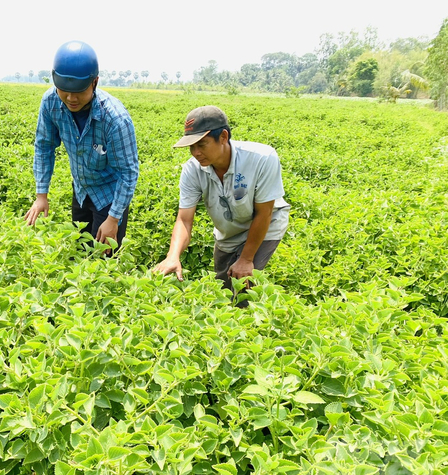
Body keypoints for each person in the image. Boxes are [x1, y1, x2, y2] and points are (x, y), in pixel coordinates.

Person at [153, 105, 290, 305]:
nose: (196, 153)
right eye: (192, 147)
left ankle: (249, 326)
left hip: (266, 224)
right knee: (223, 292)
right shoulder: (193, 170)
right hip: (228, 231)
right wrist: (172, 256)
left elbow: (264, 213)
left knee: (244, 285)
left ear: (223, 137)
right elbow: (184, 219)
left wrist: (246, 258)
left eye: (202, 144)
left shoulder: (262, 158)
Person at [24, 41, 139, 252]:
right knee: (79, 253)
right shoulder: (51, 102)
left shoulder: (115, 119)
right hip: (81, 190)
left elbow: (128, 172)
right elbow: (44, 146)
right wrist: (41, 195)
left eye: (78, 91)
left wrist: (114, 219)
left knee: (104, 260)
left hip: (109, 196)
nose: (71, 98)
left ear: (95, 82)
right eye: (64, 90)